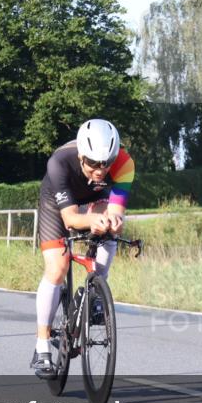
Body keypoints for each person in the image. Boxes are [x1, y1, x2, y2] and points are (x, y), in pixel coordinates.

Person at [31, 119, 135, 379]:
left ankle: (95, 291)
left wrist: (113, 221)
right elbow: (70, 220)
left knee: (109, 227)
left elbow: (116, 210)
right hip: (58, 202)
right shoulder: (59, 162)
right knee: (58, 267)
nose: (100, 170)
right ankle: (42, 344)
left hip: (97, 198)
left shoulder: (124, 164)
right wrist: (89, 220)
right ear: (81, 156)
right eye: (93, 163)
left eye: (106, 163)